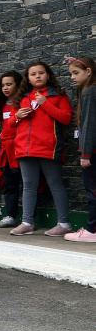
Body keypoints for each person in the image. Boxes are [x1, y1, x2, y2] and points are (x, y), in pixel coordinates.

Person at [10, 61, 73, 237]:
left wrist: (45, 103)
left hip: (48, 148)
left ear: (48, 75)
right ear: (28, 79)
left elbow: (66, 118)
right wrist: (17, 116)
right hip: (25, 148)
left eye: (41, 73)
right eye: (33, 74)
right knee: (28, 186)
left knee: (55, 184)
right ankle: (27, 223)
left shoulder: (58, 95)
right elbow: (9, 125)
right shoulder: (22, 97)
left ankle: (64, 223)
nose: (37, 76)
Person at [67, 57, 96, 242]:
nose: (72, 77)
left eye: (76, 73)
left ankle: (92, 231)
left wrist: (85, 153)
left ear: (89, 72)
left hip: (92, 152)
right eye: (71, 73)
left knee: (93, 191)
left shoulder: (89, 92)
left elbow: (89, 124)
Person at [0, 71, 23, 228]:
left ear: (18, 84)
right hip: (7, 150)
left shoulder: (24, 103)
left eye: (9, 84)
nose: (5, 88)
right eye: (3, 85)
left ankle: (28, 219)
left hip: (22, 149)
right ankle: (11, 215)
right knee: (10, 184)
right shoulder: (2, 105)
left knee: (28, 184)